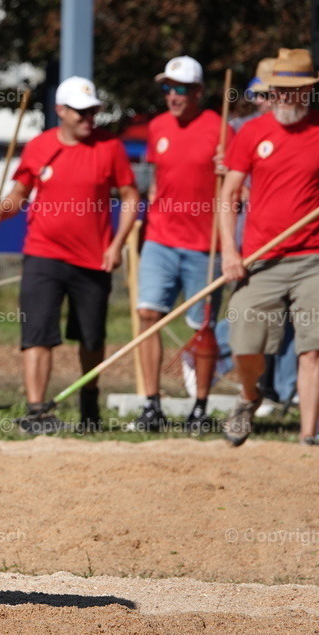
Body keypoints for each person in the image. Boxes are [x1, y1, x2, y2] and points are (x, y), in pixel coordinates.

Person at [0, 76, 139, 432]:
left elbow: (130, 197)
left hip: (94, 258)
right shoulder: (39, 146)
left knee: (91, 337)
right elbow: (19, 194)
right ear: (61, 111)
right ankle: (36, 410)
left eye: (93, 111)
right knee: (37, 333)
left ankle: (89, 408)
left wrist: (118, 245)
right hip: (43, 254)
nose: (89, 117)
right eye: (81, 112)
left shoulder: (110, 147)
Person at [219, 48, 319, 447]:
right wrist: (230, 251)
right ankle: (248, 397)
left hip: (313, 257)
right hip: (260, 257)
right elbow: (229, 196)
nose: (284, 97)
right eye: (278, 89)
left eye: (293, 90)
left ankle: (310, 436)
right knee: (243, 344)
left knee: (312, 349)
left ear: (308, 92)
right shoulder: (251, 133)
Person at [129, 56, 232, 432]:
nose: (173, 96)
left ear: (199, 92)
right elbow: (157, 179)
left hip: (205, 245)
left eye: (181, 89)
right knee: (147, 316)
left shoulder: (220, 130)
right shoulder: (157, 127)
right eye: (167, 88)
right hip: (160, 238)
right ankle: (151, 405)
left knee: (202, 329)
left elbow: (239, 187)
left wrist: (227, 168)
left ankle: (200, 407)